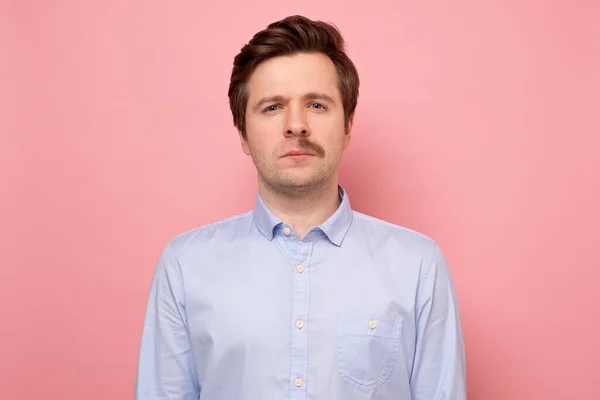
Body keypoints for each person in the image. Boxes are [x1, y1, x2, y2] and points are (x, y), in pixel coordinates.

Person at [135, 14, 466, 400]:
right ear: (242, 132)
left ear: (348, 127)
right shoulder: (185, 266)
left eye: (317, 105)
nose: (296, 125)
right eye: (273, 107)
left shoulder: (418, 267)